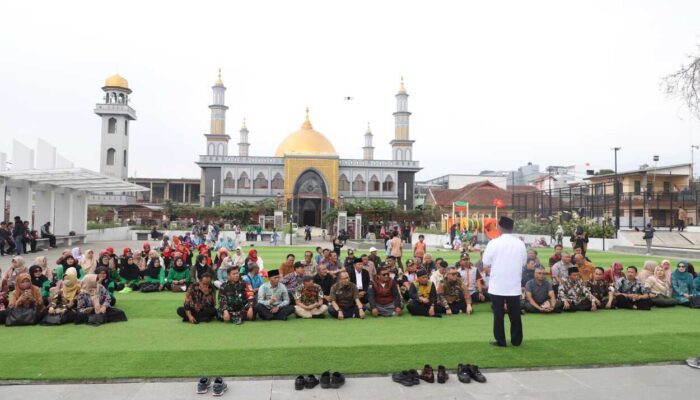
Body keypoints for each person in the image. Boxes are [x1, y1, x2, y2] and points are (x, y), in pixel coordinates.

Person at [482, 216, 526, 347]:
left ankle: (501, 341)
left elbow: (486, 262)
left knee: (498, 315)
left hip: (498, 285)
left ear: (500, 228)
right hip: (514, 284)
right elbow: (523, 262)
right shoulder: (520, 244)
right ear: (512, 229)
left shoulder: (494, 243)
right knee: (515, 314)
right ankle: (516, 340)